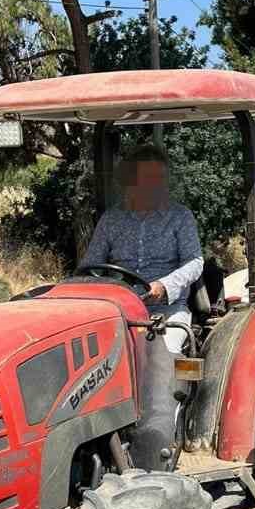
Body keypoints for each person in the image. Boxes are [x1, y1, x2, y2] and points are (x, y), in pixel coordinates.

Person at [83, 144, 204, 471]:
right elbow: (91, 265)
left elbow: (195, 263)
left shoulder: (179, 217)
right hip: (119, 309)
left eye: (161, 179)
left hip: (165, 311)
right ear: (130, 182)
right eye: (150, 179)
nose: (158, 186)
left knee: (162, 357)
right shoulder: (112, 220)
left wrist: (163, 286)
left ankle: (161, 442)